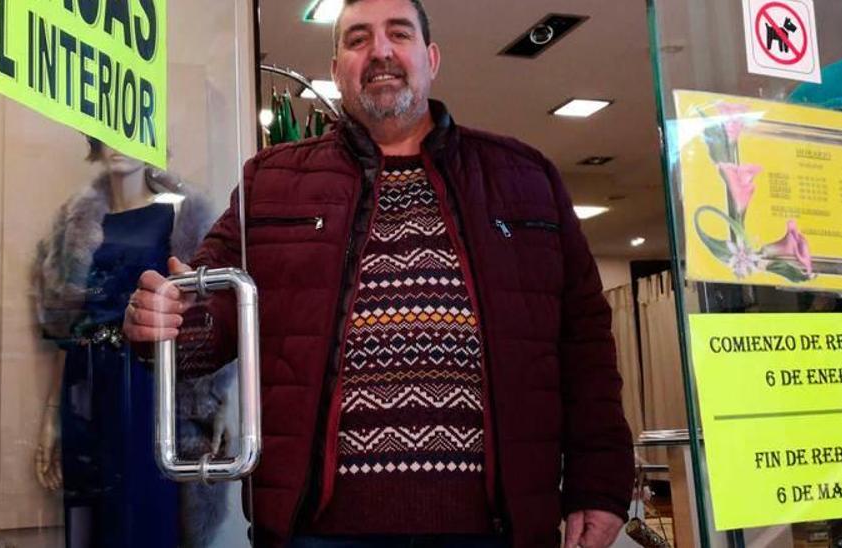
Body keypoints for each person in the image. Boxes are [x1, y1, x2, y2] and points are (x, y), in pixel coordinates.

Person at [124, 0, 633, 546]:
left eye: (399, 34)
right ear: (338, 67)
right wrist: (166, 324)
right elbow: (209, 313)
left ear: (431, 57)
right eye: (358, 39)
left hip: (492, 529)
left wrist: (598, 484)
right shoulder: (270, 182)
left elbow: (585, 346)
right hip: (319, 532)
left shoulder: (526, 178)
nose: (381, 51)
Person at [31, 137, 220, 547]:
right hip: (85, 381)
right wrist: (50, 416)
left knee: (145, 512)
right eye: (108, 135)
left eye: (130, 133)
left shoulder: (179, 216)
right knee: (89, 515)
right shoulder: (75, 222)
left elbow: (208, 316)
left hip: (146, 380)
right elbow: (66, 325)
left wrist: (218, 400)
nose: (118, 146)